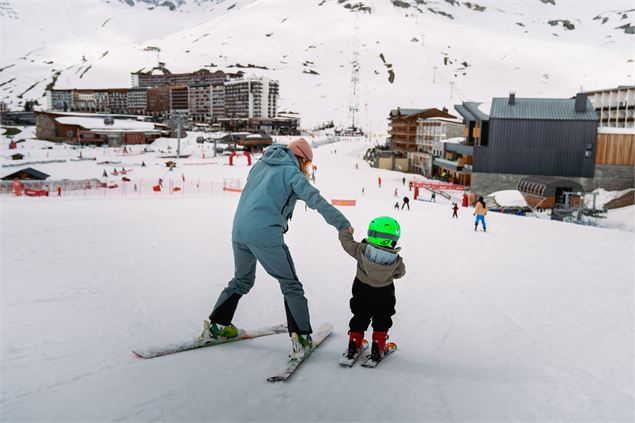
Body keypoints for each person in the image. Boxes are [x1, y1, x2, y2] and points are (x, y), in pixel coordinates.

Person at [203, 139, 352, 358]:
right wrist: (342, 224)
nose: (307, 169)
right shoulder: (292, 174)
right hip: (264, 233)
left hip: (239, 231)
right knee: (290, 285)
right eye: (307, 164)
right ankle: (301, 337)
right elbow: (316, 200)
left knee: (241, 281)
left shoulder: (261, 164)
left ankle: (217, 326)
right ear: (301, 158)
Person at [338, 217, 406, 361]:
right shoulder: (395, 260)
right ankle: (378, 346)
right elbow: (401, 273)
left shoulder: (361, 250)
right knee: (382, 317)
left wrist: (346, 231)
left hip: (361, 290)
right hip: (384, 294)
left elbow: (346, 243)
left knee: (360, 315)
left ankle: (354, 344)